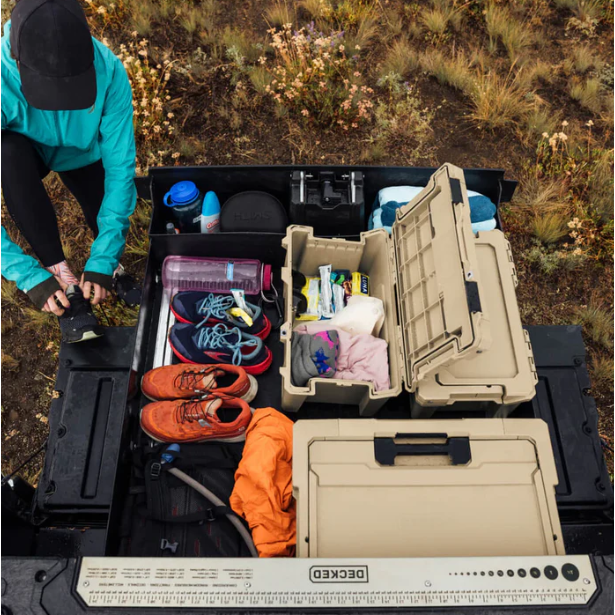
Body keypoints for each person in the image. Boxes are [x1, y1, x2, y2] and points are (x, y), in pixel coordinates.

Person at [1, 0, 140, 343]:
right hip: (21, 150)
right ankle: (60, 276)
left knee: (102, 201)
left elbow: (121, 168)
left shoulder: (108, 70)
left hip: (82, 150)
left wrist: (104, 256)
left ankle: (108, 268)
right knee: (7, 154)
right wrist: (26, 275)